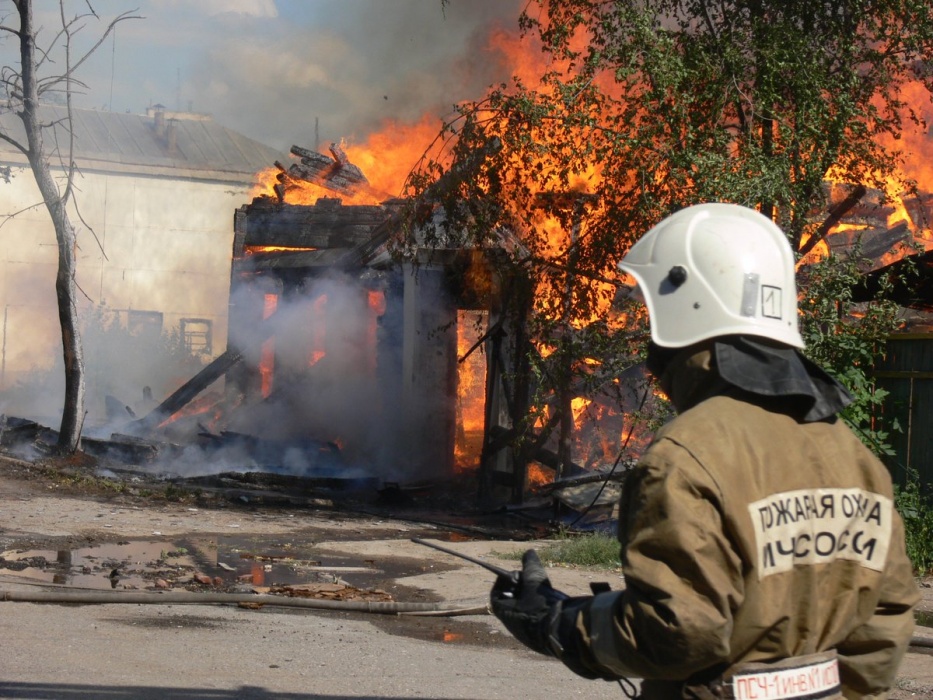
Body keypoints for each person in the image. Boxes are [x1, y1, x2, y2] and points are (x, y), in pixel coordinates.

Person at [490, 203, 920, 699]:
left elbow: (679, 631)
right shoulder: (854, 455)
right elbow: (887, 617)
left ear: (687, 309)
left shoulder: (687, 458)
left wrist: (562, 625)